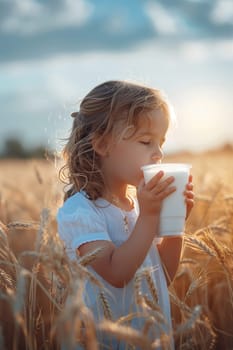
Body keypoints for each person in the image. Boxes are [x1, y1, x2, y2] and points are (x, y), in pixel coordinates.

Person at [57, 80, 194, 349]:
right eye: (146, 141)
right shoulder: (80, 212)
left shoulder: (137, 207)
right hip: (107, 341)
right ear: (102, 144)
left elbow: (162, 276)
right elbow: (116, 272)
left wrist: (175, 222)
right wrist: (149, 217)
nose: (159, 153)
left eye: (161, 142)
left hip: (150, 339)